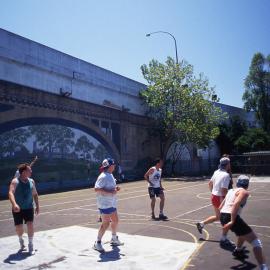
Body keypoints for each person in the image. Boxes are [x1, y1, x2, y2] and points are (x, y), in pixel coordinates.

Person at [220, 175, 268, 270]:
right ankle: (264, 267)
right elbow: (236, 204)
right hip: (231, 217)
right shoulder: (244, 192)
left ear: (237, 183)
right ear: (247, 184)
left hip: (223, 215)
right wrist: (232, 220)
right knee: (256, 243)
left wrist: (225, 219)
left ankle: (238, 250)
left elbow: (221, 206)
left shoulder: (230, 191)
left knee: (242, 233)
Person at [196, 157, 232, 245]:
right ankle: (224, 238)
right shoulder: (226, 175)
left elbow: (210, 183)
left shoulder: (216, 172)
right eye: (229, 163)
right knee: (226, 218)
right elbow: (224, 190)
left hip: (214, 196)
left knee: (218, 217)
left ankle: (201, 224)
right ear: (227, 164)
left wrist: (213, 192)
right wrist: (230, 198)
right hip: (221, 197)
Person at [8, 163, 39, 255]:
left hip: (29, 207)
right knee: (19, 228)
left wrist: (37, 205)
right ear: (24, 172)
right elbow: (10, 193)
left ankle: (30, 245)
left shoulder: (31, 181)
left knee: (30, 224)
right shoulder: (15, 181)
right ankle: (21, 240)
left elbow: (35, 194)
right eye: (29, 170)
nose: (31, 171)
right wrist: (14, 204)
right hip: (18, 209)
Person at [93, 158, 123, 252]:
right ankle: (97, 242)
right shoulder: (103, 176)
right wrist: (111, 191)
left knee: (115, 220)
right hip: (105, 204)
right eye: (113, 165)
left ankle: (114, 238)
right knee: (105, 224)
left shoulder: (110, 175)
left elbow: (110, 188)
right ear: (109, 166)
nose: (114, 166)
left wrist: (115, 188)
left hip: (111, 202)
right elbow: (97, 189)